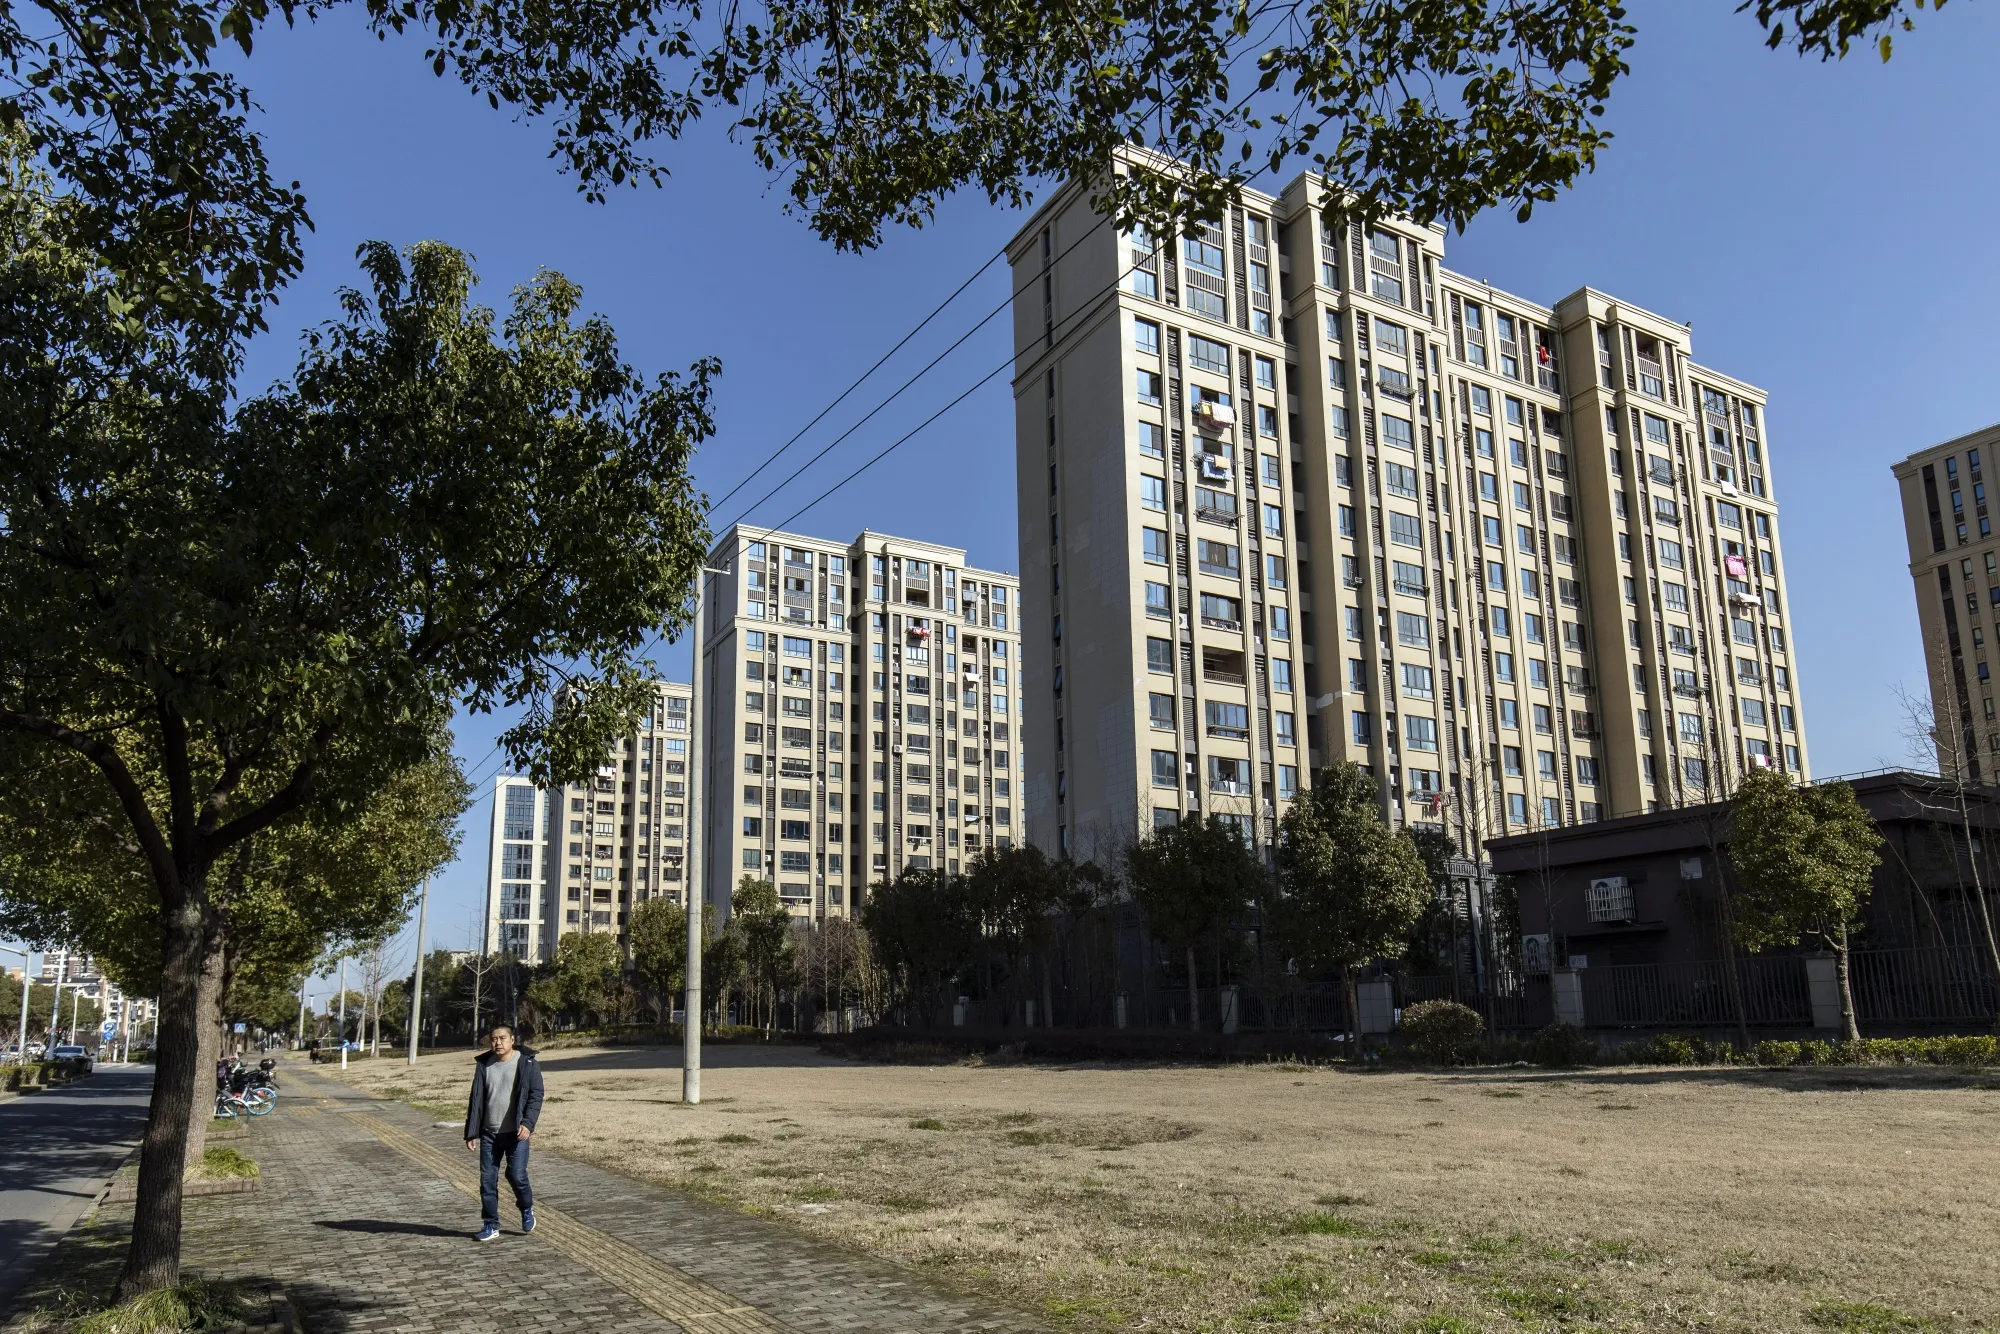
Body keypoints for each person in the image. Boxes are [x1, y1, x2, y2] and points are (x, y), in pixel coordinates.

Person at [462, 1024, 545, 1242]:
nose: (497, 1043)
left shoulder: (526, 1063)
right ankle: (490, 1224)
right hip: (490, 1134)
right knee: (487, 1181)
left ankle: (526, 1207)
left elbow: (536, 1095)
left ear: (512, 1039)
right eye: (493, 1039)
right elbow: (476, 1099)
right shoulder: (484, 1064)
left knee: (516, 1175)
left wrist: (528, 1123)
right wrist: (471, 1132)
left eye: (502, 1038)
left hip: (516, 1134)